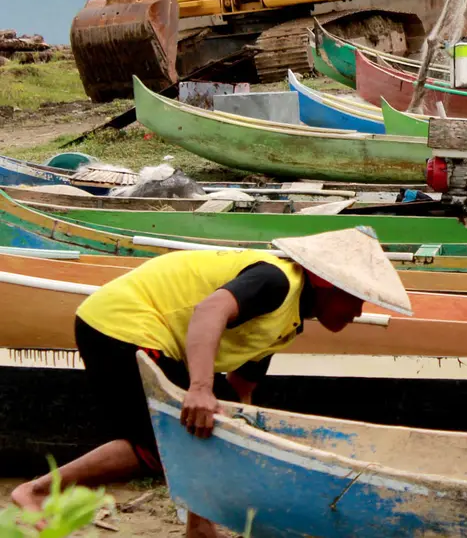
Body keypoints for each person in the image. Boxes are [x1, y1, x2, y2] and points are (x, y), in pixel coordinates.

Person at [9, 227, 409, 538]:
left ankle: (199, 526)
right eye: (354, 298)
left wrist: (248, 434)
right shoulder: (276, 281)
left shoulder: (289, 321)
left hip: (152, 336)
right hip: (125, 324)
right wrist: (199, 388)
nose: (358, 311)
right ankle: (38, 492)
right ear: (325, 283)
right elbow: (210, 309)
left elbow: (241, 390)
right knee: (165, 436)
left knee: (206, 427)